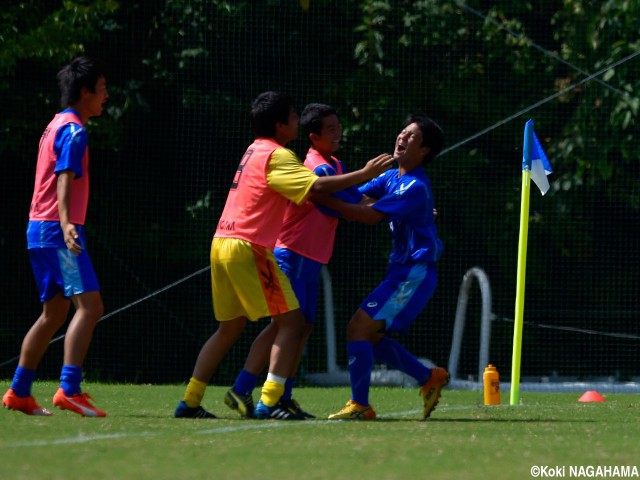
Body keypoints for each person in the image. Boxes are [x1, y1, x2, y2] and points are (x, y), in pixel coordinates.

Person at [174, 92, 393, 419]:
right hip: (251, 246)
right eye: (293, 116)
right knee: (291, 322)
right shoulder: (280, 156)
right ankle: (270, 400)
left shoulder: (254, 149)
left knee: (231, 328)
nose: (297, 120)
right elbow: (319, 190)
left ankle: (190, 401)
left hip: (223, 241)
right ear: (281, 125)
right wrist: (365, 175)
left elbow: (344, 196)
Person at [224, 103, 363, 419]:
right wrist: (386, 206)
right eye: (331, 129)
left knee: (301, 327)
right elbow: (349, 204)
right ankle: (254, 393)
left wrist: (402, 206)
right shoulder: (318, 168)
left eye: (339, 126)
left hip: (310, 261)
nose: (338, 132)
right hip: (292, 255)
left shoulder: (335, 164)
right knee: (285, 326)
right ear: (313, 137)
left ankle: (278, 394)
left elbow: (357, 195)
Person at [314, 113, 449, 421]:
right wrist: (327, 178)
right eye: (402, 132)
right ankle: (427, 377)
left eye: (412, 136)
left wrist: (318, 197)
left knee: (358, 328)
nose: (402, 137)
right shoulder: (392, 177)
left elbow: (369, 215)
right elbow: (358, 198)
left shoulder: (414, 186)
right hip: (402, 272)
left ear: (425, 150)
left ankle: (360, 405)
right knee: (368, 334)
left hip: (413, 273)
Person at [2, 56, 109, 417]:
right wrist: (67, 225)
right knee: (90, 306)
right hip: (58, 230)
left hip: (39, 228)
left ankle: (18, 391)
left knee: (53, 313)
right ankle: (70, 389)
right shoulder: (75, 130)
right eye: (102, 89)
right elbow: (64, 176)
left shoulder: (54, 124)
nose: (106, 96)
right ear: (85, 91)